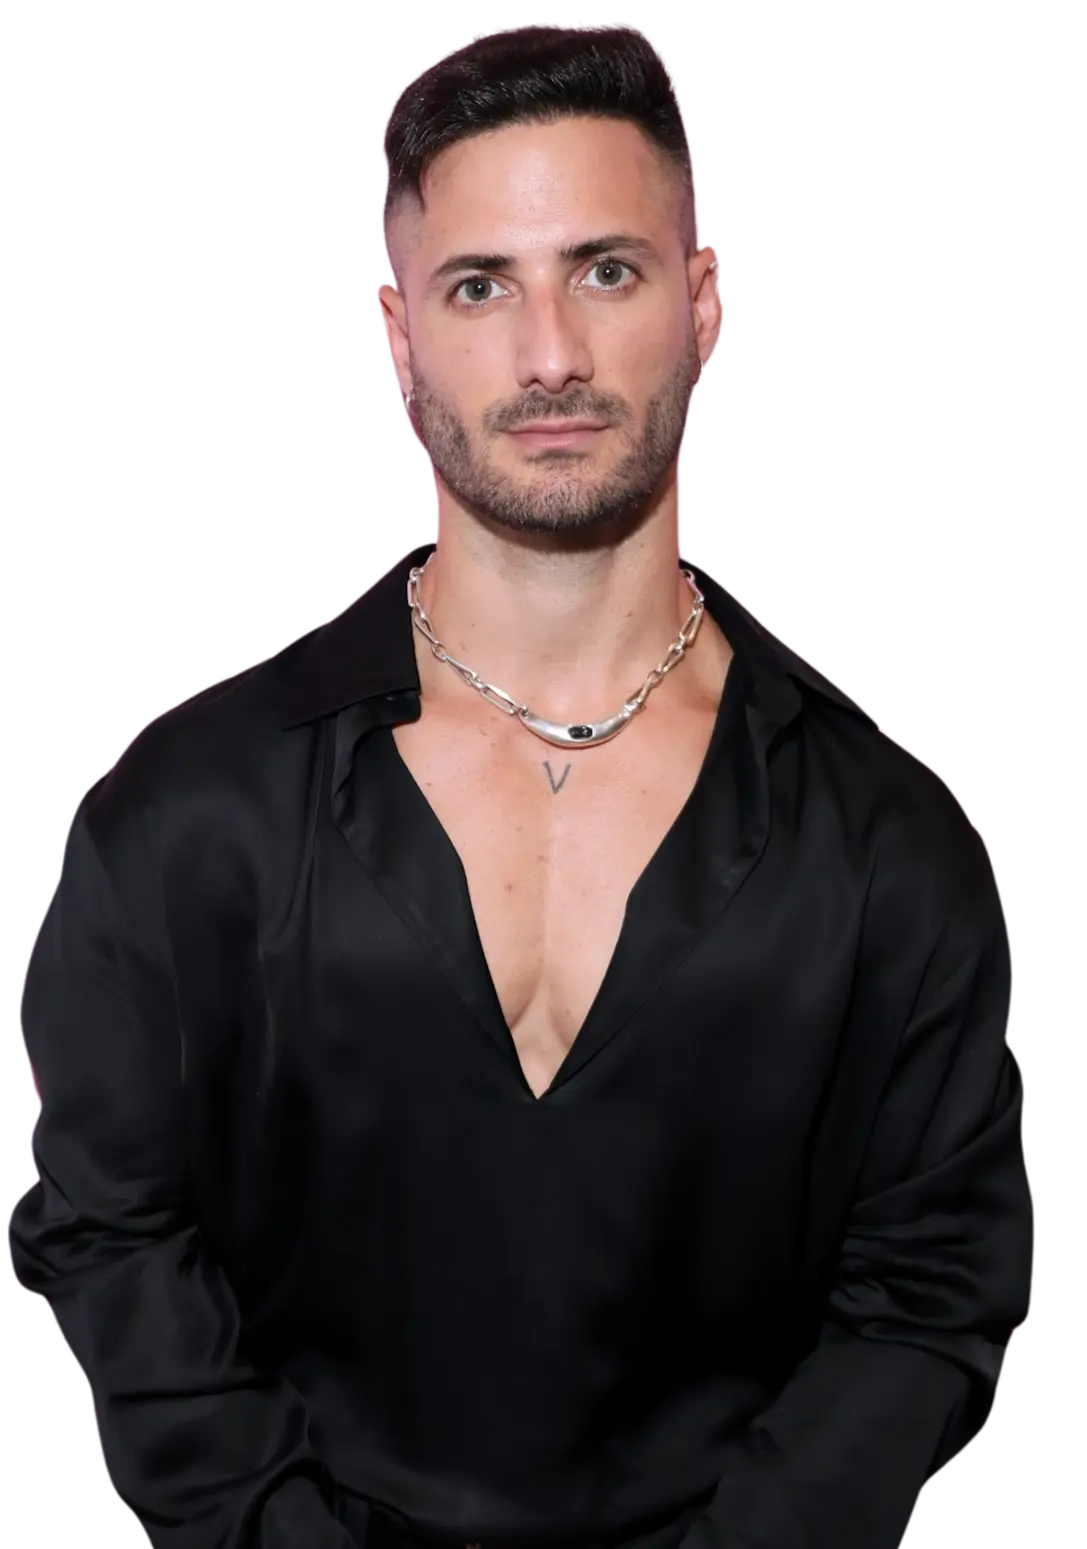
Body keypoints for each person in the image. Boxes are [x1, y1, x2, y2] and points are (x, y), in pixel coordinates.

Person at [8, 22, 1031, 1549]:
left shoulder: (889, 841)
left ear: (703, 304)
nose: (549, 355)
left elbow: (934, 1289)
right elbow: (108, 1230)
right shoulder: (185, 811)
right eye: (479, 286)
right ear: (397, 334)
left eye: (604, 272)